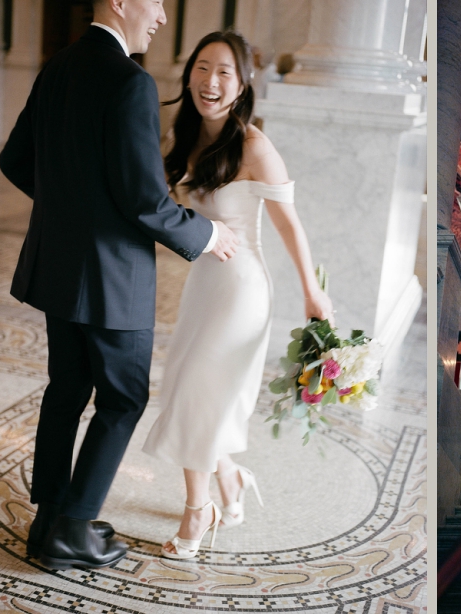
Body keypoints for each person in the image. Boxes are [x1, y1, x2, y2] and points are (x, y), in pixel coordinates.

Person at [0, 0, 242, 570]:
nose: (159, 15)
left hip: (59, 269)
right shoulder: (131, 82)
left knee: (66, 392)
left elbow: (14, 161)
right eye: (154, 2)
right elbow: (142, 200)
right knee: (123, 398)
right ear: (121, 2)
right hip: (112, 280)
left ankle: (49, 521)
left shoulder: (57, 66)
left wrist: (70, 207)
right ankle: (74, 529)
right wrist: (207, 235)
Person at [139, 30, 333, 559]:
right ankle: (233, 481)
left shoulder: (253, 146)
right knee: (198, 392)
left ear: (243, 83)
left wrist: (312, 292)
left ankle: (196, 514)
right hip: (204, 285)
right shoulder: (181, 137)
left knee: (199, 395)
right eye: (203, 68)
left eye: (224, 71)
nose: (211, 81)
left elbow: (289, 223)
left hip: (243, 290)